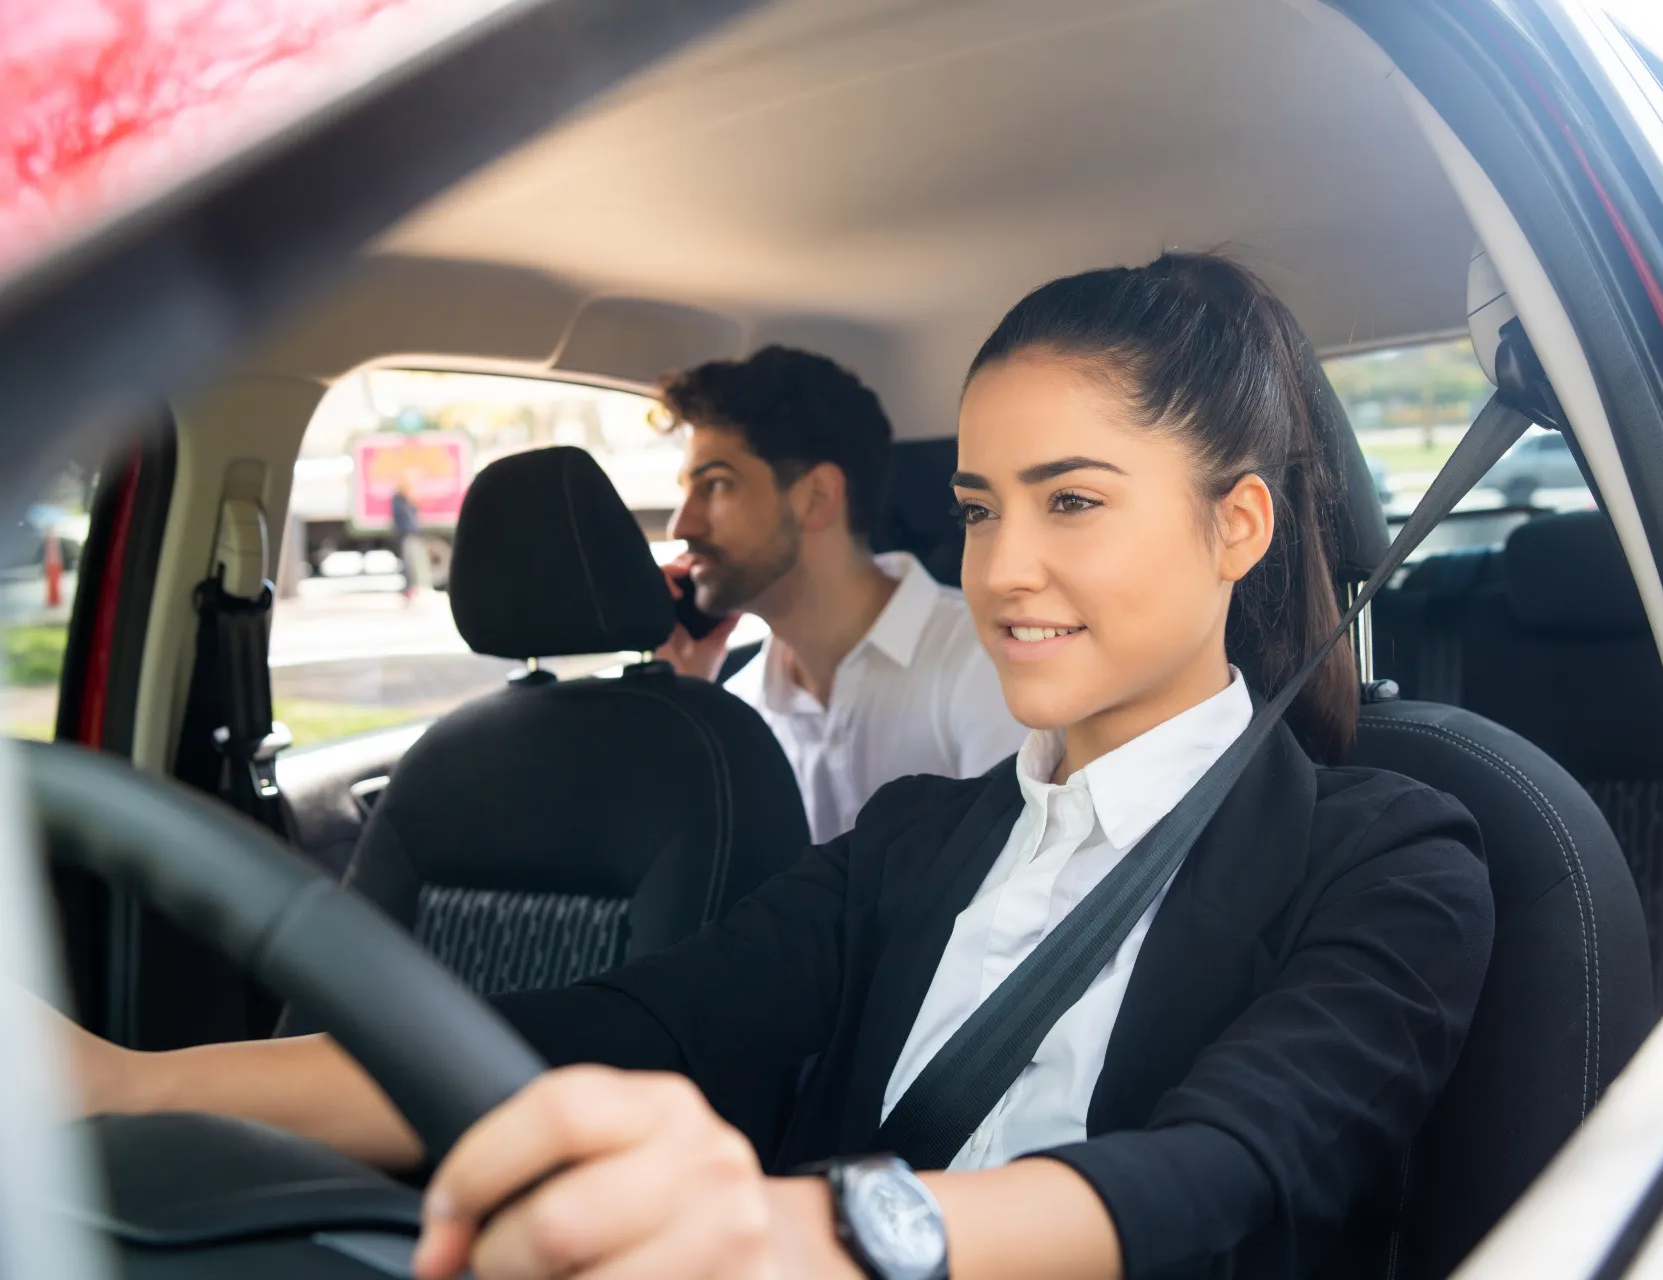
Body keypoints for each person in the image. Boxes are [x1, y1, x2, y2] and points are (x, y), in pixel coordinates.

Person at [64, 254, 1495, 1280]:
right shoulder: (917, 840)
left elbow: (1224, 1167)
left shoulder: (1395, 855)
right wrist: (136, 1087)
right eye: (979, 509)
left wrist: (803, 1231)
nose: (1002, 570)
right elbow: (625, 1026)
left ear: (1237, 526)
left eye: (1072, 502)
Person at [655, 345, 1026, 842]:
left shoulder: (986, 665)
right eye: (686, 491)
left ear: (817, 497)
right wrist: (688, 704)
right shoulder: (739, 707)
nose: (682, 525)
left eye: (717, 485)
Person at [390, 474, 433, 603]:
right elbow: (402, 518)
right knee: (408, 562)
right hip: (406, 534)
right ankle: (409, 588)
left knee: (414, 562)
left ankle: (413, 587)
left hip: (412, 534)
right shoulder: (399, 500)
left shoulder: (407, 501)